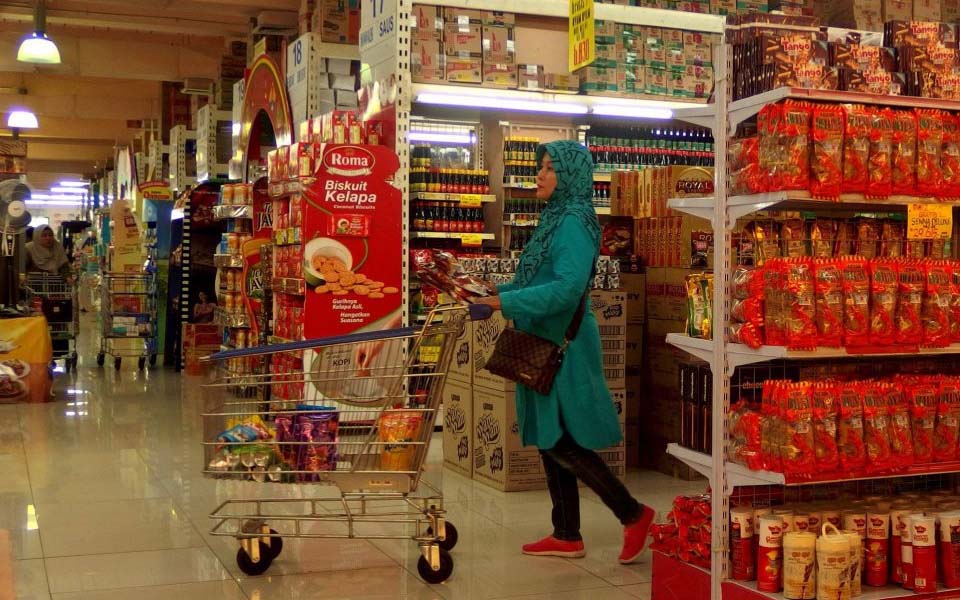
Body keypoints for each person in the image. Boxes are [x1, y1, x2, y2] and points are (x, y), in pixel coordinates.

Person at [473, 140, 654, 564]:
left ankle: (633, 513)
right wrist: (488, 293)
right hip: (540, 340)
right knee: (547, 435)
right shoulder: (554, 217)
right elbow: (532, 279)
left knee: (563, 440)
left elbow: (567, 289)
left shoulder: (573, 221)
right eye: (541, 166)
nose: (539, 174)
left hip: (563, 346)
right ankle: (566, 533)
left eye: (550, 168)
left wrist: (505, 304)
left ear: (570, 176)